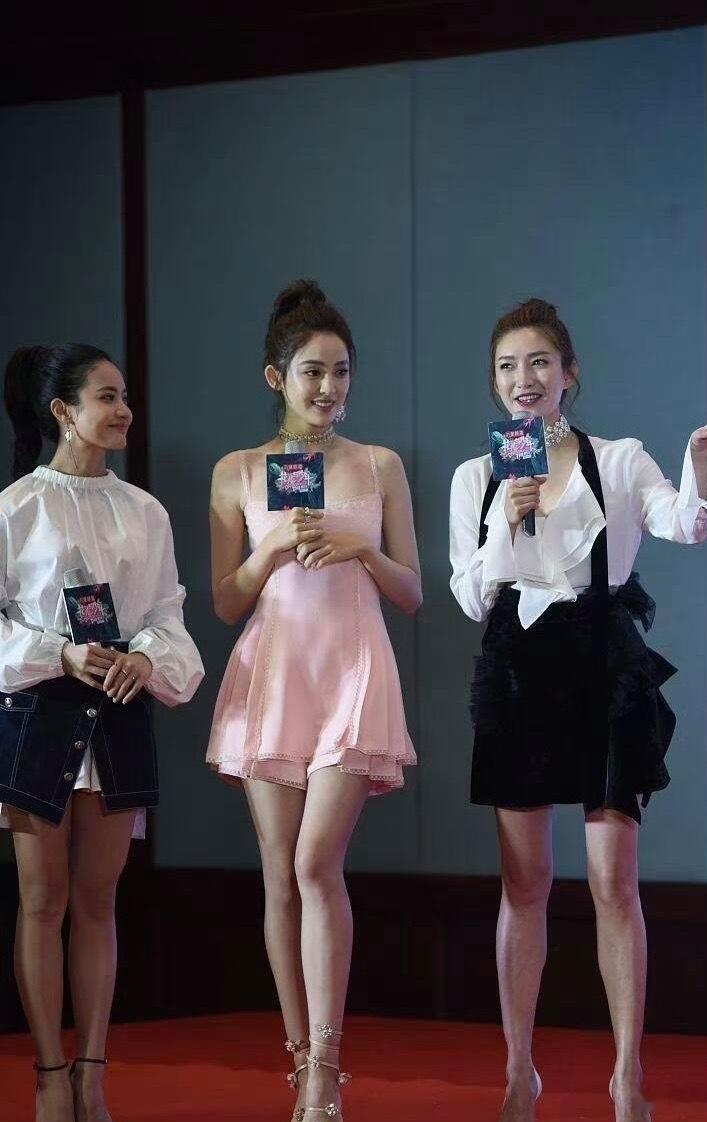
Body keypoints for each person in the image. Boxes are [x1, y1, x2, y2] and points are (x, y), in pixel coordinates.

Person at [448, 299, 707, 1122]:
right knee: (524, 882)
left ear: (569, 373)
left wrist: (700, 461)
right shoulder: (477, 477)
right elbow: (468, 596)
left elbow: (685, 523)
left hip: (602, 666)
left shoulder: (618, 460)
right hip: (517, 669)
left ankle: (626, 1077)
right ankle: (519, 1071)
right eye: (507, 366)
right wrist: (504, 523)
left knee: (613, 880)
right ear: (494, 381)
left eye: (539, 362)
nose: (523, 379)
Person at [206, 280, 420, 1121]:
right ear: (276, 377)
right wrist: (268, 555)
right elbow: (226, 603)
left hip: (353, 672)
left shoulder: (379, 465)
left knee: (314, 862)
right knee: (280, 876)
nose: (327, 388)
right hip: (273, 675)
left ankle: (328, 1068)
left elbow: (412, 592)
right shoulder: (236, 471)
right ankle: (300, 1063)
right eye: (311, 372)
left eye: (339, 372)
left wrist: (358, 548)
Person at [0, 344, 204, 1122]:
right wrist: (60, 653)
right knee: (41, 899)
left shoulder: (144, 510)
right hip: (37, 715)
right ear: (63, 411)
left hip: (116, 714)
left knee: (97, 900)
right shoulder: (15, 507)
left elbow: (165, 613)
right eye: (106, 397)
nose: (123, 410)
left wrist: (145, 659)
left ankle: (91, 1073)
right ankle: (49, 1075)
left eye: (124, 397)